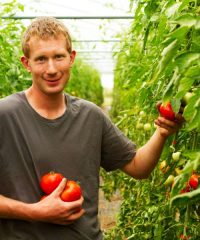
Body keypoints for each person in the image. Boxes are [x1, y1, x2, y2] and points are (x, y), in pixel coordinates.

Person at [0, 17, 184, 240]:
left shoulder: (91, 116)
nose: (51, 68)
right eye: (41, 59)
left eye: (59, 56)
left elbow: (138, 167)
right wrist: (34, 212)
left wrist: (162, 132)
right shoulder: (6, 115)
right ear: (26, 63)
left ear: (71, 58)